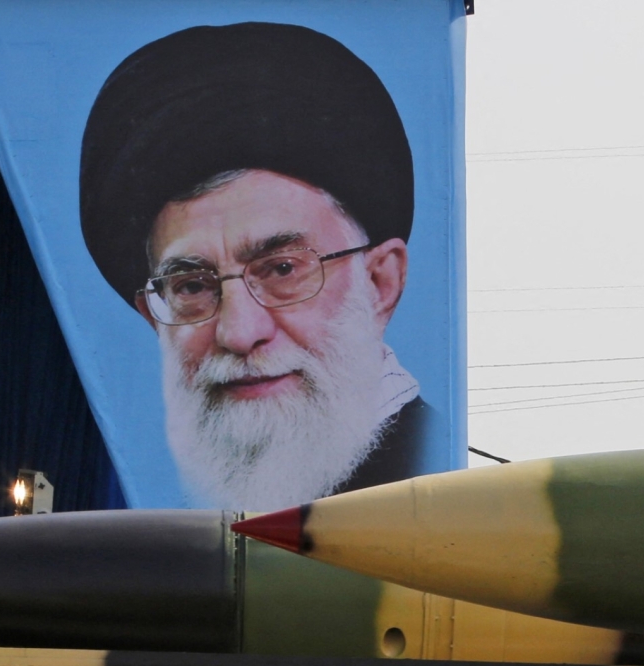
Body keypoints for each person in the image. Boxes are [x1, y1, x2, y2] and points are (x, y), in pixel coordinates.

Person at [80, 22, 423, 510]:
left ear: (380, 282)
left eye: (282, 269)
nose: (239, 333)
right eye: (193, 285)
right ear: (154, 317)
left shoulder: (431, 503)